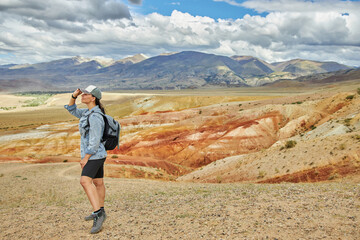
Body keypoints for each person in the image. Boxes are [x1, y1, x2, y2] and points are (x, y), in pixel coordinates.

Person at [64, 85, 107, 234]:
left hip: (94, 155)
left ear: (93, 98)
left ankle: (98, 214)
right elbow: (71, 109)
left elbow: (94, 141)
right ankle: (101, 210)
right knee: (98, 183)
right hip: (97, 155)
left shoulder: (95, 116)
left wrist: (85, 158)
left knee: (84, 181)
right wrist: (74, 95)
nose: (83, 96)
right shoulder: (87, 113)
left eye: (85, 94)